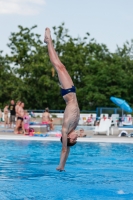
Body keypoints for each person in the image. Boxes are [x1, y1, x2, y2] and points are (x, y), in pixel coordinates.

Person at [44, 28, 80, 171]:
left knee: (59, 66)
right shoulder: (72, 128)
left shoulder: (65, 129)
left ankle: (48, 41)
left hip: (68, 94)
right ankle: (48, 41)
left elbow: (65, 149)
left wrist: (60, 165)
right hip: (72, 93)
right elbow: (68, 150)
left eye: (75, 139)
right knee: (60, 67)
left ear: (68, 138)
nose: (77, 137)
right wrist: (64, 165)